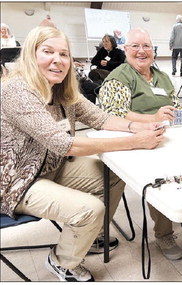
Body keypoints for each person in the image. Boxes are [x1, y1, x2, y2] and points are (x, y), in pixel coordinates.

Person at [1, 26, 165, 282]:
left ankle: (89, 237)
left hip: (53, 166)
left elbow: (100, 118)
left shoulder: (62, 90)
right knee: (90, 209)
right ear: (31, 55)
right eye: (48, 52)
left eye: (64, 54)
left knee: (113, 173)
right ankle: (62, 261)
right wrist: (134, 141)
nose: (58, 60)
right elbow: (66, 144)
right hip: (18, 181)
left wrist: (141, 125)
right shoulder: (17, 91)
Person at [98, 28, 182, 260]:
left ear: (153, 51)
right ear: (126, 50)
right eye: (135, 46)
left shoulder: (161, 76)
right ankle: (164, 232)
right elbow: (114, 114)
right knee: (162, 172)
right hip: (134, 140)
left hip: (168, 136)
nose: (141, 51)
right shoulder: (120, 77)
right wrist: (153, 118)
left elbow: (173, 107)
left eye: (146, 46)